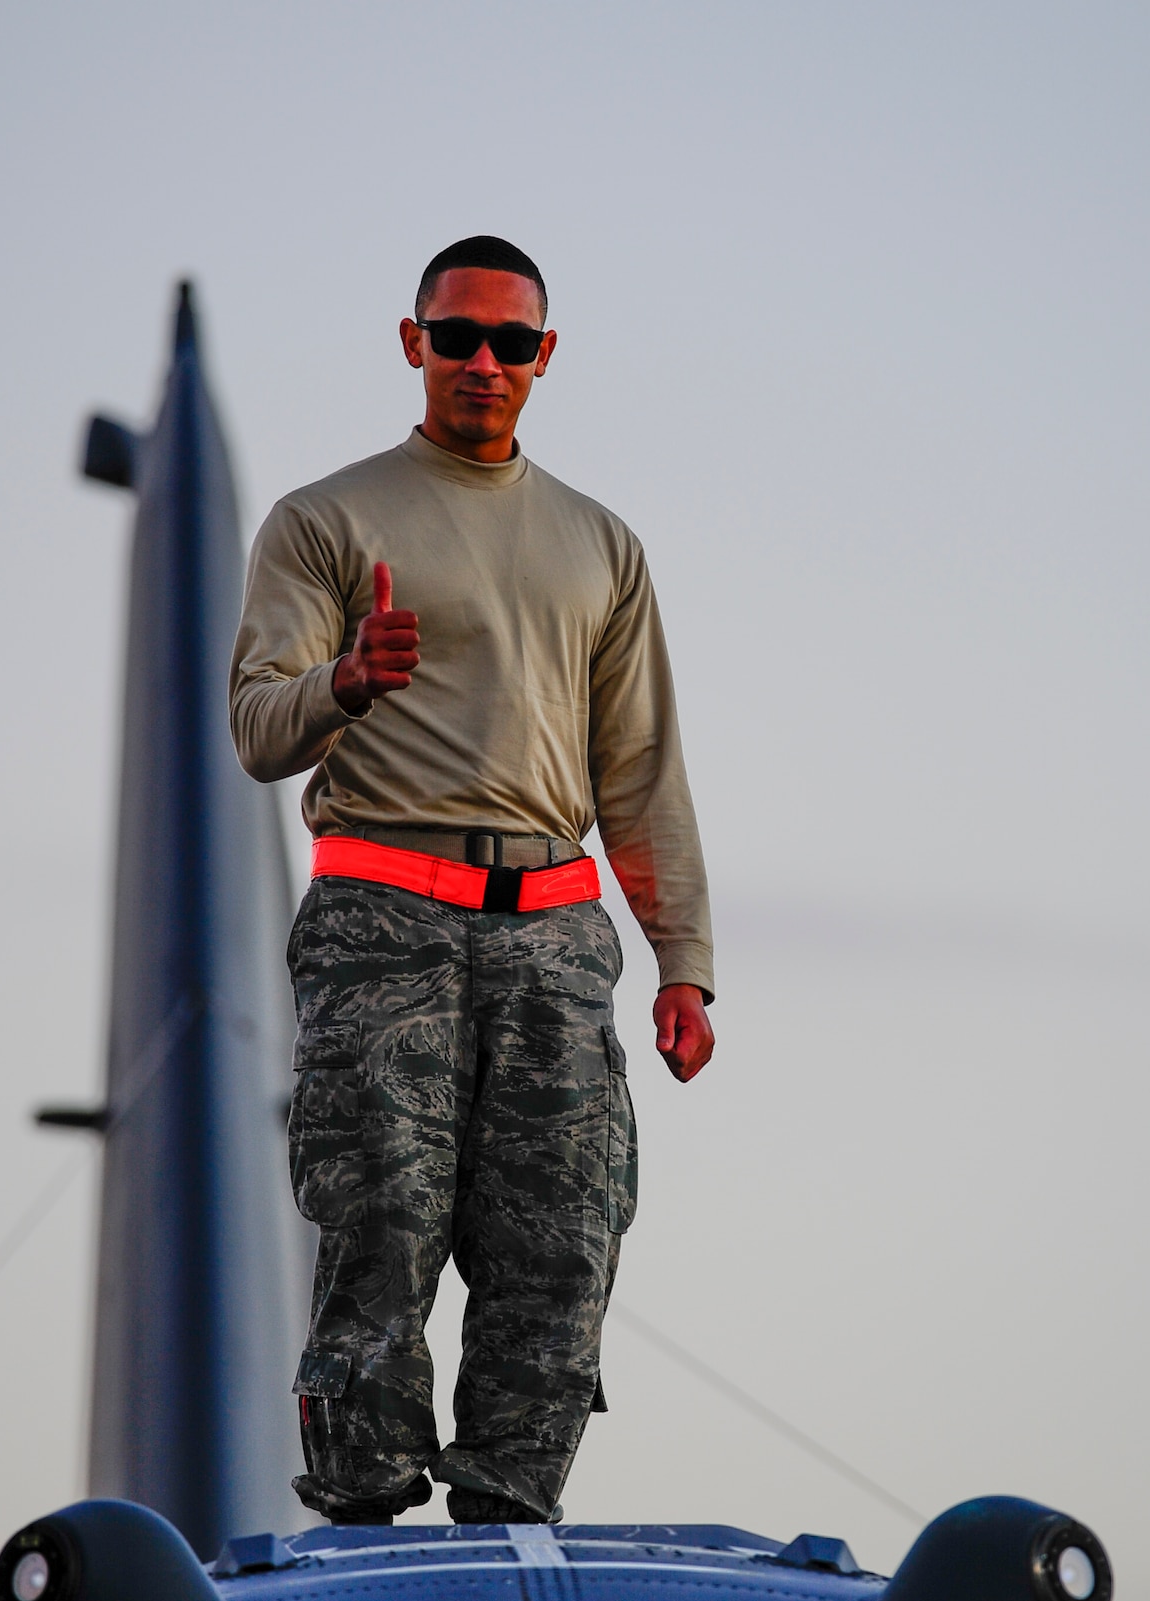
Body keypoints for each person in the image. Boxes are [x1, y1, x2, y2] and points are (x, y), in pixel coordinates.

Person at [229, 235, 714, 1526]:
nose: (483, 363)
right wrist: (349, 680)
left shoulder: (599, 544)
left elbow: (641, 766)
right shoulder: (325, 522)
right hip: (384, 911)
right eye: (458, 338)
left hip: (554, 930)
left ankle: (509, 1518)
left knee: (560, 1244)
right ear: (413, 345)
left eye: (511, 342)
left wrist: (685, 965)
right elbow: (257, 734)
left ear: (543, 358)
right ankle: (365, 1516)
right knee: (381, 1230)